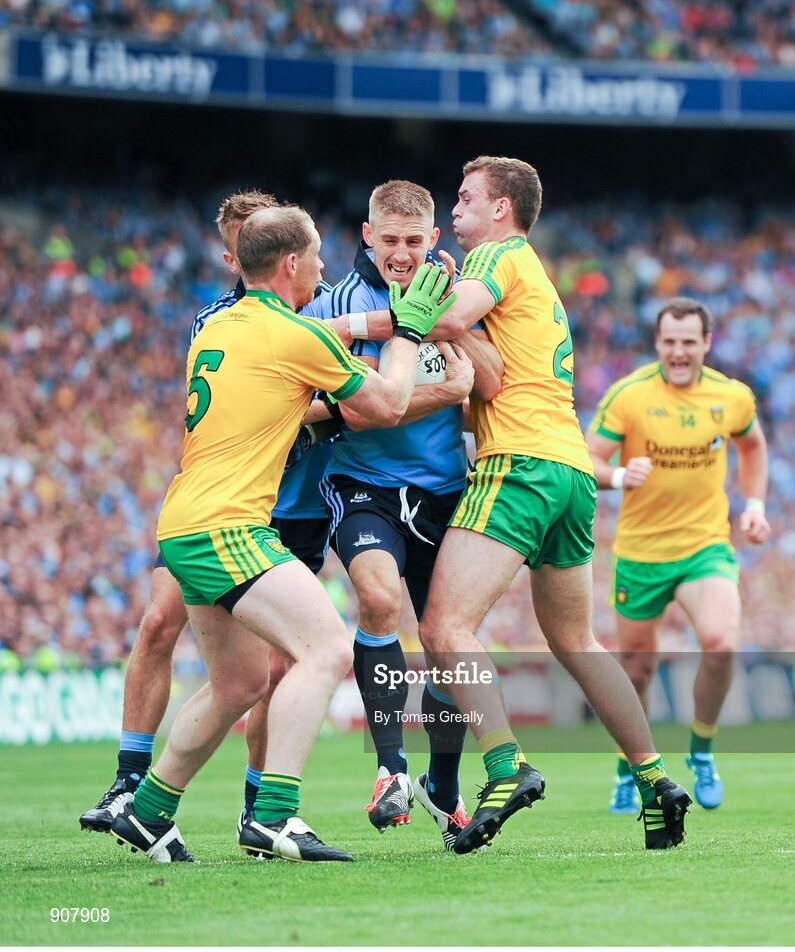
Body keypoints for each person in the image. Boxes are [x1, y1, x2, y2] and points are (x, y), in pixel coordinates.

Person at [106, 205, 456, 863]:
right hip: (229, 525)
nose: (324, 268)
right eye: (317, 256)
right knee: (323, 648)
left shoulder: (218, 326)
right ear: (290, 264)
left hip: (186, 522)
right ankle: (275, 817)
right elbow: (383, 401)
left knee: (239, 682)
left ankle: (148, 811)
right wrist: (409, 329)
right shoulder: (294, 333)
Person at [418, 155, 691, 853]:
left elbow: (445, 318)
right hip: (570, 472)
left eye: (465, 198)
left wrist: (421, 302)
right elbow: (489, 353)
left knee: (445, 626)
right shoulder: (531, 273)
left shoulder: (499, 255)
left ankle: (505, 767)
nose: (454, 211)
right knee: (576, 640)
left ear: (501, 208)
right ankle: (657, 781)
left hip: (520, 465)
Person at [321, 180, 504, 849]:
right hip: (363, 482)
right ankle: (390, 770)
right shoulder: (339, 303)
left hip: (443, 493)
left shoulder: (456, 301)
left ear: (433, 241)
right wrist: (442, 387)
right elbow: (354, 408)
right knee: (375, 598)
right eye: (388, 239)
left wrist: (451, 322)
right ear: (367, 236)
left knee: (447, 638)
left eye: (412, 240)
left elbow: (489, 382)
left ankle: (444, 786)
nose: (400, 253)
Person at [586, 297, 771, 813]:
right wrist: (621, 476)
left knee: (720, 642)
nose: (679, 351)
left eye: (689, 341)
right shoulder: (629, 396)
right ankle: (632, 768)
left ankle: (703, 751)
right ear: (658, 343)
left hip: (704, 547)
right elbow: (588, 457)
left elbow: (753, 447)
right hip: (641, 555)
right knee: (637, 672)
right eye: (670, 341)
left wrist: (754, 504)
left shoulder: (731, 397)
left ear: (706, 343)